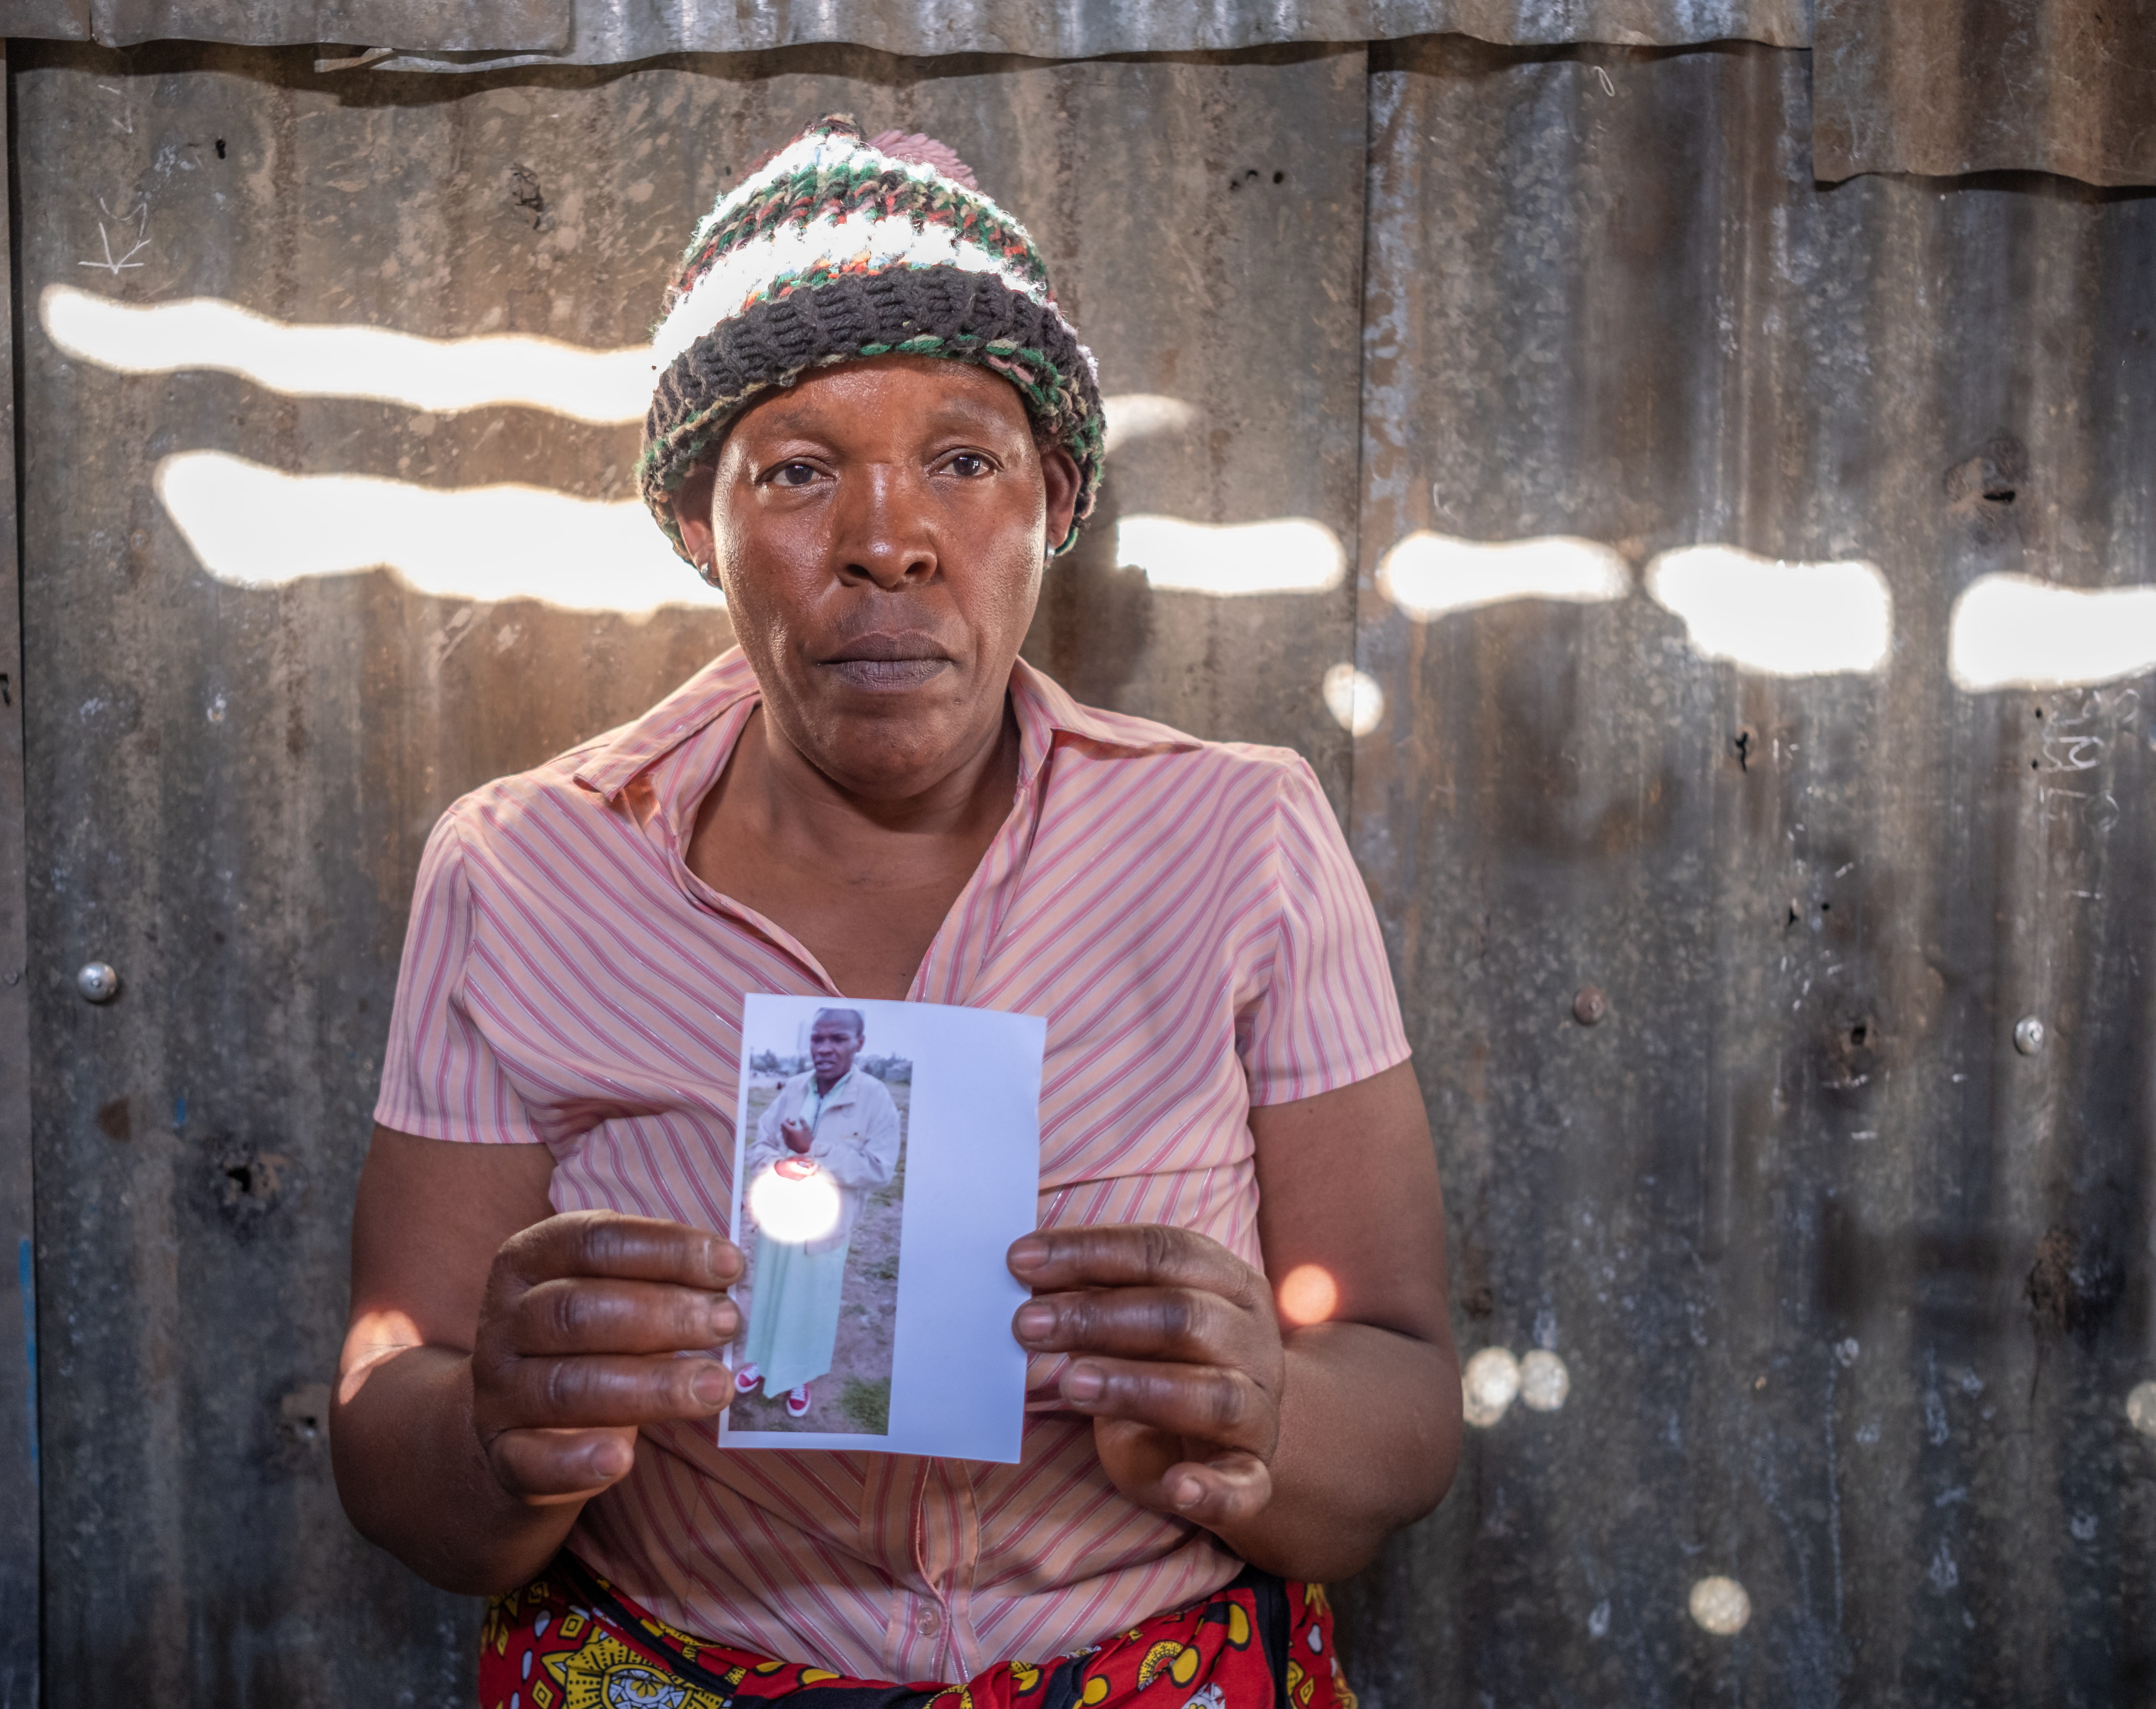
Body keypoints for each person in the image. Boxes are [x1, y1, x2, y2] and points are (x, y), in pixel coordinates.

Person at [333, 116, 1459, 1707]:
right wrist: (497, 1424)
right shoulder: (523, 863)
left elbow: (1405, 1403)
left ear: (1053, 498)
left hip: (1152, 1665)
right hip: (659, 1664)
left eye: (963, 457)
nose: (887, 539)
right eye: (796, 470)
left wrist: (1257, 1405)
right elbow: (398, 1453)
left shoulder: (1238, 832)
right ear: (692, 525)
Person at [734, 1007, 903, 1418]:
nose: (825, 1048)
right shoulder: (794, 1087)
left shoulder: (875, 1097)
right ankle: (760, 1360)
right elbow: (761, 1145)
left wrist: (813, 1152)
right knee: (772, 1291)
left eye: (838, 1038)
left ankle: (799, 1375)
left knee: (812, 1303)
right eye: (817, 1038)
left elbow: (880, 1168)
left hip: (826, 1224)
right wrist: (779, 1165)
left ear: (859, 1043)